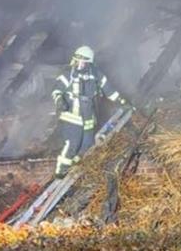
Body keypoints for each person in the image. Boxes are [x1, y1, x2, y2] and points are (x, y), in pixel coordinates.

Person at [51, 45, 127, 178]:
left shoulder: (95, 74)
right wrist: (59, 100)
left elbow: (109, 90)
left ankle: (75, 164)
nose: (79, 64)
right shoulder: (68, 74)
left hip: (88, 118)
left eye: (83, 62)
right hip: (71, 117)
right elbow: (56, 90)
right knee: (72, 144)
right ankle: (60, 170)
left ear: (89, 62)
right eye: (77, 61)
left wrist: (122, 101)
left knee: (87, 145)